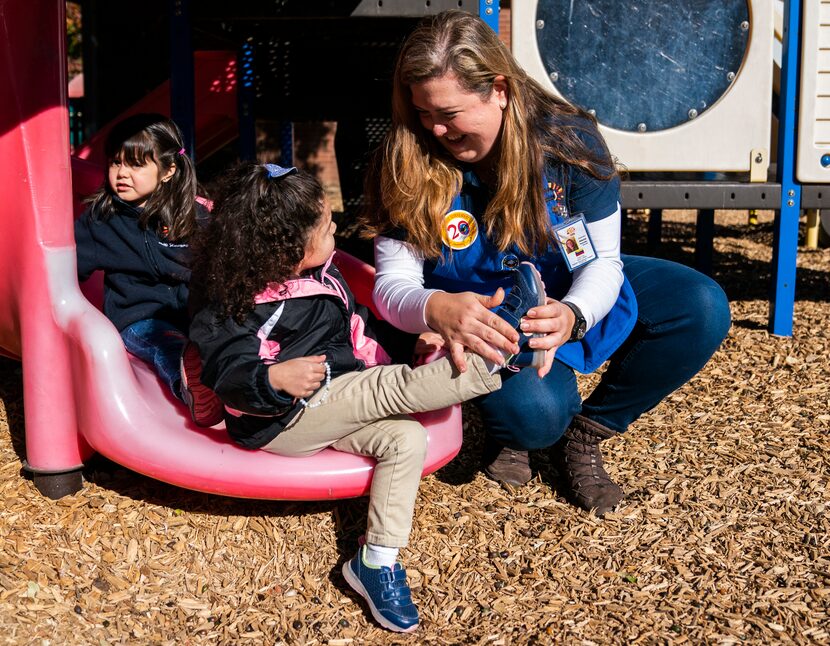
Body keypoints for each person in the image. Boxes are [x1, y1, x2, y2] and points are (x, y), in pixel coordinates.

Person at [361, 10, 731, 515]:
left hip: (560, 286)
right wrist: (434, 308)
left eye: (449, 112)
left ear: (499, 89)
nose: (436, 129)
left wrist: (574, 314)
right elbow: (391, 286)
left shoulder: (567, 143)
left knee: (699, 305)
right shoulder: (406, 154)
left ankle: (589, 432)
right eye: (423, 113)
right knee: (536, 417)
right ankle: (511, 427)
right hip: (480, 316)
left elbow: (602, 263)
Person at [187, 162, 543, 633]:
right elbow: (227, 370)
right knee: (385, 388)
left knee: (405, 440)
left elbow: (358, 335)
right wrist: (272, 380)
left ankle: (375, 561)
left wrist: (410, 346)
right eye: (326, 224)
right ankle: (497, 353)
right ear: (290, 248)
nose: (336, 226)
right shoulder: (237, 303)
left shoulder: (324, 277)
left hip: (330, 402)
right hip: (280, 420)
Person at [74, 113, 223, 427]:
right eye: (116, 163)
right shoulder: (102, 220)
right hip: (138, 319)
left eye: (136, 165)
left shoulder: (194, 216)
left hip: (193, 315)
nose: (122, 174)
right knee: (167, 347)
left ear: (168, 170)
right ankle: (194, 390)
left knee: (225, 338)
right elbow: (68, 268)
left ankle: (244, 391)